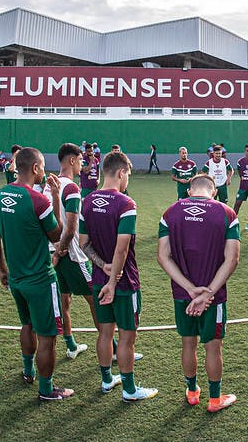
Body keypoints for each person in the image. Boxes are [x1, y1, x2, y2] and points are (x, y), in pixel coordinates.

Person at [0, 147, 76, 400]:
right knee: (47, 335)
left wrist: (3, 269)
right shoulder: (39, 201)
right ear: (36, 168)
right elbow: (57, 234)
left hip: (16, 278)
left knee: (26, 324)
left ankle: (28, 372)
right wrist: (57, 197)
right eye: (42, 166)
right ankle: (46, 389)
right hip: (40, 279)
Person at [157, 174, 241, 412]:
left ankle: (192, 392)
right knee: (213, 346)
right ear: (213, 192)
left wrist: (190, 289)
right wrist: (207, 293)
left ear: (189, 191)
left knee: (188, 343)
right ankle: (215, 399)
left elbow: (163, 256)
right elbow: (232, 258)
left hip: (183, 294)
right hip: (214, 297)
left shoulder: (170, 213)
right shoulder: (227, 213)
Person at [79, 151, 157, 402]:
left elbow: (83, 243)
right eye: (128, 176)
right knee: (127, 336)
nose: (128, 181)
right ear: (121, 173)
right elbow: (122, 248)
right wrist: (113, 282)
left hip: (99, 279)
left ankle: (106, 380)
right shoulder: (126, 203)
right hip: (124, 283)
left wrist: (103, 266)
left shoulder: (87, 201)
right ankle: (129, 390)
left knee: (104, 332)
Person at [49, 143, 102, 360]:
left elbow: (51, 220)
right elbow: (70, 228)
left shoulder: (49, 184)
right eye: (80, 160)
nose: (82, 164)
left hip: (55, 253)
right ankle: (115, 348)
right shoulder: (70, 187)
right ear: (72, 160)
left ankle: (70, 345)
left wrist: (54, 249)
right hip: (72, 255)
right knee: (96, 299)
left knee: (65, 299)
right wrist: (61, 249)